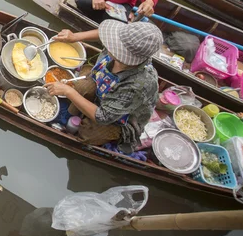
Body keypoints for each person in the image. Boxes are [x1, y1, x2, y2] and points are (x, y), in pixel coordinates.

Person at [44, 20, 163, 152]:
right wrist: (75, 37)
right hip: (102, 86)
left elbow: (103, 117)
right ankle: (71, 113)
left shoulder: (138, 85)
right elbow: (102, 34)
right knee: (81, 87)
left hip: (119, 117)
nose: (109, 43)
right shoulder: (121, 51)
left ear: (126, 56)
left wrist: (68, 92)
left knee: (88, 134)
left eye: (115, 44)